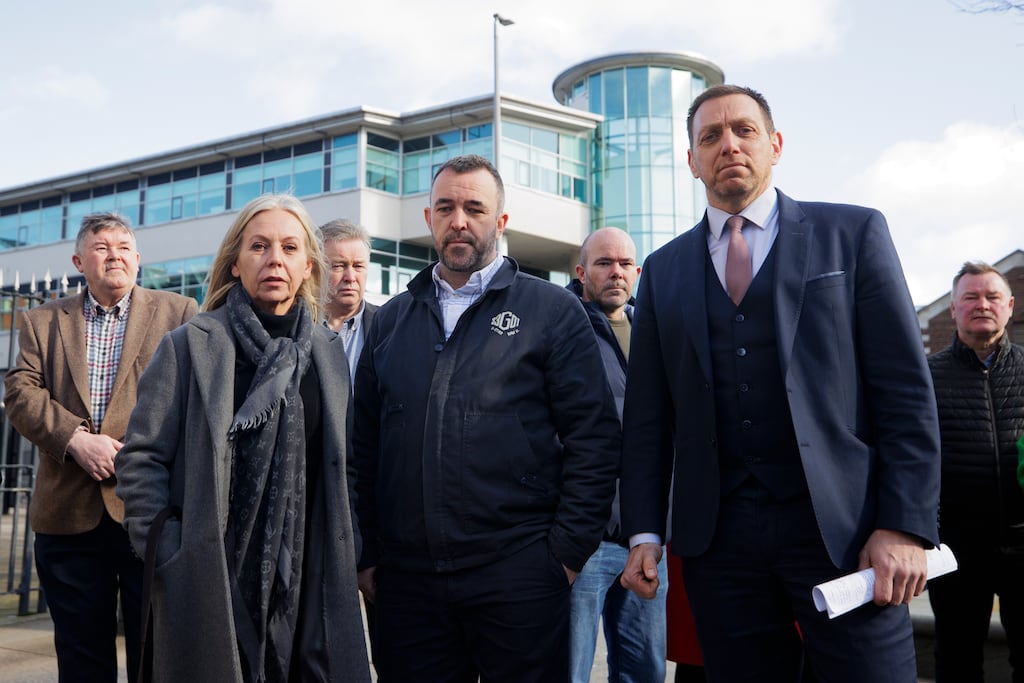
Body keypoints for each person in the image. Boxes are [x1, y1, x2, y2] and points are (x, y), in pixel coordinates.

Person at [618, 85, 941, 682]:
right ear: (692, 161)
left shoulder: (853, 233)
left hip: (845, 530)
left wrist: (903, 524)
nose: (729, 145)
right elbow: (647, 417)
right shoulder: (663, 269)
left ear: (776, 144)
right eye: (710, 136)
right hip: (719, 542)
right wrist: (644, 530)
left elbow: (904, 391)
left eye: (744, 130)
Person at [352, 154, 621, 682]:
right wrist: (367, 555)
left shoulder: (552, 312)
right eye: (445, 208)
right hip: (408, 587)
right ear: (429, 218)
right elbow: (361, 445)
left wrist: (564, 557)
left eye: (474, 208)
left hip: (520, 578)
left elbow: (594, 439)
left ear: (500, 221)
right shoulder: (390, 322)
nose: (458, 221)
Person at [115, 194, 371, 683]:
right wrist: (172, 551)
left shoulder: (327, 352)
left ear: (308, 266)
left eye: (290, 248)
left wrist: (351, 542)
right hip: (211, 576)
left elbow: (345, 462)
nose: (275, 259)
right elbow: (140, 458)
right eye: (259, 246)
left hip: (310, 574)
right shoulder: (189, 345)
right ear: (235, 262)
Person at [3, 212, 197, 683]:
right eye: (102, 247)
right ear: (78, 262)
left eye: (124, 247)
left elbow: (196, 399)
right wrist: (75, 439)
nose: (115, 256)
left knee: (156, 656)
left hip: (150, 513)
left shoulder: (180, 313)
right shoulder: (43, 320)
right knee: (81, 660)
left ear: (138, 259)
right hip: (68, 517)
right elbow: (20, 393)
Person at [565, 226, 669, 683]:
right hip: (583, 541)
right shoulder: (561, 327)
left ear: (638, 272)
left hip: (646, 539)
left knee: (644, 671)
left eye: (625, 264)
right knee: (567, 670)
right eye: (604, 263)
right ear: (581, 271)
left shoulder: (655, 330)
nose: (616, 272)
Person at [927, 261, 1024, 682]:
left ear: (1010, 306)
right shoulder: (924, 377)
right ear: (953, 309)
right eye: (970, 297)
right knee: (957, 660)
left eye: (992, 297)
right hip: (955, 549)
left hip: (1023, 544)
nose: (982, 304)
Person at [319, 219, 378, 379]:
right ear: (316, 269)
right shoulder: (298, 325)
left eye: (358, 266)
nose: (350, 277)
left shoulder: (390, 325)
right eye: (338, 266)